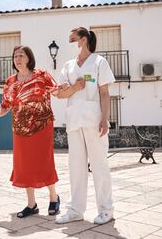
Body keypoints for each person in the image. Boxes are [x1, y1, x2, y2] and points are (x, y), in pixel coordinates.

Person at [0, 45, 61, 218]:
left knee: (44, 162)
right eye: (15, 56)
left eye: (21, 55)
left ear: (29, 58)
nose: (17, 59)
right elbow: (4, 108)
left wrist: (73, 87)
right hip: (20, 130)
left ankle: (54, 197)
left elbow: (57, 92)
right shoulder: (10, 82)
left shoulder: (42, 75)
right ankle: (31, 204)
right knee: (24, 165)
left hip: (42, 127)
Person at [55, 27, 115, 225]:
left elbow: (105, 93)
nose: (70, 41)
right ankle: (75, 210)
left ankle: (106, 210)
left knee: (99, 166)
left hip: (93, 120)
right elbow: (60, 93)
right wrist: (75, 87)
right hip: (74, 121)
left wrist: (104, 119)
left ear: (83, 40)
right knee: (76, 167)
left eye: (73, 37)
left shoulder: (99, 62)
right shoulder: (68, 65)